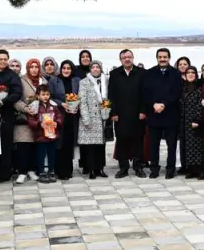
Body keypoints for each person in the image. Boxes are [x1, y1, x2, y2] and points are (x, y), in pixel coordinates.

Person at [141, 48, 182, 179]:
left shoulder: (176, 74)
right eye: (160, 57)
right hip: (154, 114)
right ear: (157, 58)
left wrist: (164, 104)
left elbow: (176, 92)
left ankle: (170, 169)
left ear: (169, 58)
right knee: (154, 144)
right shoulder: (150, 73)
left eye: (165, 57)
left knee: (171, 144)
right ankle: (154, 168)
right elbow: (145, 92)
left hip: (170, 114)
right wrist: (154, 104)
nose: (162, 59)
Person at [108, 49, 145, 177]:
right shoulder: (114, 74)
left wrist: (143, 111)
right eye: (124, 57)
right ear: (121, 60)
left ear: (133, 58)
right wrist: (113, 113)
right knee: (122, 141)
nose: (127, 59)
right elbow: (111, 95)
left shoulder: (141, 73)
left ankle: (138, 167)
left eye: (129, 57)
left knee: (138, 141)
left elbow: (145, 94)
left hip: (137, 114)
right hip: (120, 115)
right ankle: (123, 168)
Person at [12, 58, 47, 183]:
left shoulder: (44, 81)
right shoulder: (21, 81)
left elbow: (47, 97)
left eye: (36, 67)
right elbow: (16, 99)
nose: (34, 69)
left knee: (34, 146)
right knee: (23, 146)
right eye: (31, 67)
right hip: (24, 119)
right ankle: (22, 172)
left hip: (39, 119)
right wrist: (27, 109)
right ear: (27, 68)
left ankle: (32, 170)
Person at [0, 50, 22, 183]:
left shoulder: (12, 75)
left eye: (5, 59)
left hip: (6, 113)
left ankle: (5, 172)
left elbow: (17, 93)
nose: (2, 61)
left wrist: (3, 101)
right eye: (0, 59)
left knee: (5, 143)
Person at [27, 83, 65, 182]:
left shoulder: (53, 105)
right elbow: (31, 120)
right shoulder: (34, 106)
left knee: (52, 154)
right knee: (41, 155)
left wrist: (57, 123)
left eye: (47, 94)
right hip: (40, 136)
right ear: (38, 95)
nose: (45, 97)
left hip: (52, 135)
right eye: (43, 94)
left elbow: (59, 116)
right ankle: (41, 172)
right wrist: (39, 124)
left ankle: (51, 171)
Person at [78, 61, 108, 179]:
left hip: (102, 117)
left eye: (98, 67)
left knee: (101, 146)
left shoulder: (105, 81)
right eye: (93, 67)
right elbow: (82, 101)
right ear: (90, 69)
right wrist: (86, 119)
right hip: (90, 117)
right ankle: (91, 169)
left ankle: (100, 168)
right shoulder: (84, 82)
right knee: (90, 146)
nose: (95, 69)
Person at [53, 60, 81, 180]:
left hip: (72, 116)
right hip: (59, 115)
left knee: (69, 143)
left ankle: (68, 170)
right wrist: (61, 104)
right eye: (64, 68)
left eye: (68, 68)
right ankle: (59, 170)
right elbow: (50, 96)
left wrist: (77, 104)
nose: (66, 70)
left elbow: (80, 95)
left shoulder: (76, 80)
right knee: (60, 143)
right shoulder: (55, 80)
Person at [179, 67, 204, 178]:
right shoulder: (183, 88)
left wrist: (197, 119)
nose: (190, 74)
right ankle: (190, 169)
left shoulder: (199, 88)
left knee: (197, 146)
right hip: (184, 121)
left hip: (194, 121)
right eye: (188, 72)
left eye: (192, 72)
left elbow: (200, 105)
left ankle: (199, 169)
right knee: (186, 146)